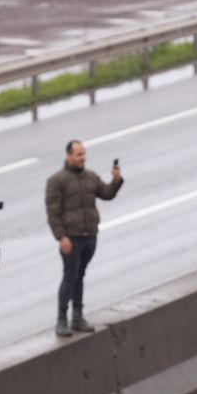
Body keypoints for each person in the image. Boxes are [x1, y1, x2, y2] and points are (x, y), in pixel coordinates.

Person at [45, 139, 123, 337]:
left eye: (84, 154)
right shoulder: (57, 181)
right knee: (70, 276)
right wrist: (61, 237)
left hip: (90, 235)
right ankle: (62, 319)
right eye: (79, 154)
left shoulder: (90, 177)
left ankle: (77, 317)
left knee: (80, 275)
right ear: (69, 156)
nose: (82, 158)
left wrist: (116, 181)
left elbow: (106, 194)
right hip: (71, 237)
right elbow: (53, 213)